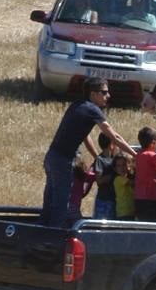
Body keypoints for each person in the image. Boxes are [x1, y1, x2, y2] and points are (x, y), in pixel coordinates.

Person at [41, 76, 135, 226]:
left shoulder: (78, 105)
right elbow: (114, 136)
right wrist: (136, 155)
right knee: (60, 205)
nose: (108, 96)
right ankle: (54, 240)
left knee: (50, 202)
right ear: (93, 94)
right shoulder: (92, 109)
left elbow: (85, 136)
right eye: (104, 92)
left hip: (51, 158)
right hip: (62, 161)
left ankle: (41, 235)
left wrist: (95, 156)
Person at [134, 126, 156, 221]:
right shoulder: (150, 155)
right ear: (153, 143)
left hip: (139, 196)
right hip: (150, 197)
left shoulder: (139, 155)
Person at [91, 132, 117, 220]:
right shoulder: (100, 160)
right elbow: (99, 180)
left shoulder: (115, 159)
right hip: (104, 200)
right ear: (111, 145)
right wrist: (113, 175)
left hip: (114, 199)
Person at [112, 154, 135, 219]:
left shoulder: (128, 178)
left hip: (131, 211)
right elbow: (132, 183)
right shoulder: (118, 179)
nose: (122, 168)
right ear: (115, 169)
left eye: (124, 164)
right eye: (118, 166)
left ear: (129, 166)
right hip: (123, 212)